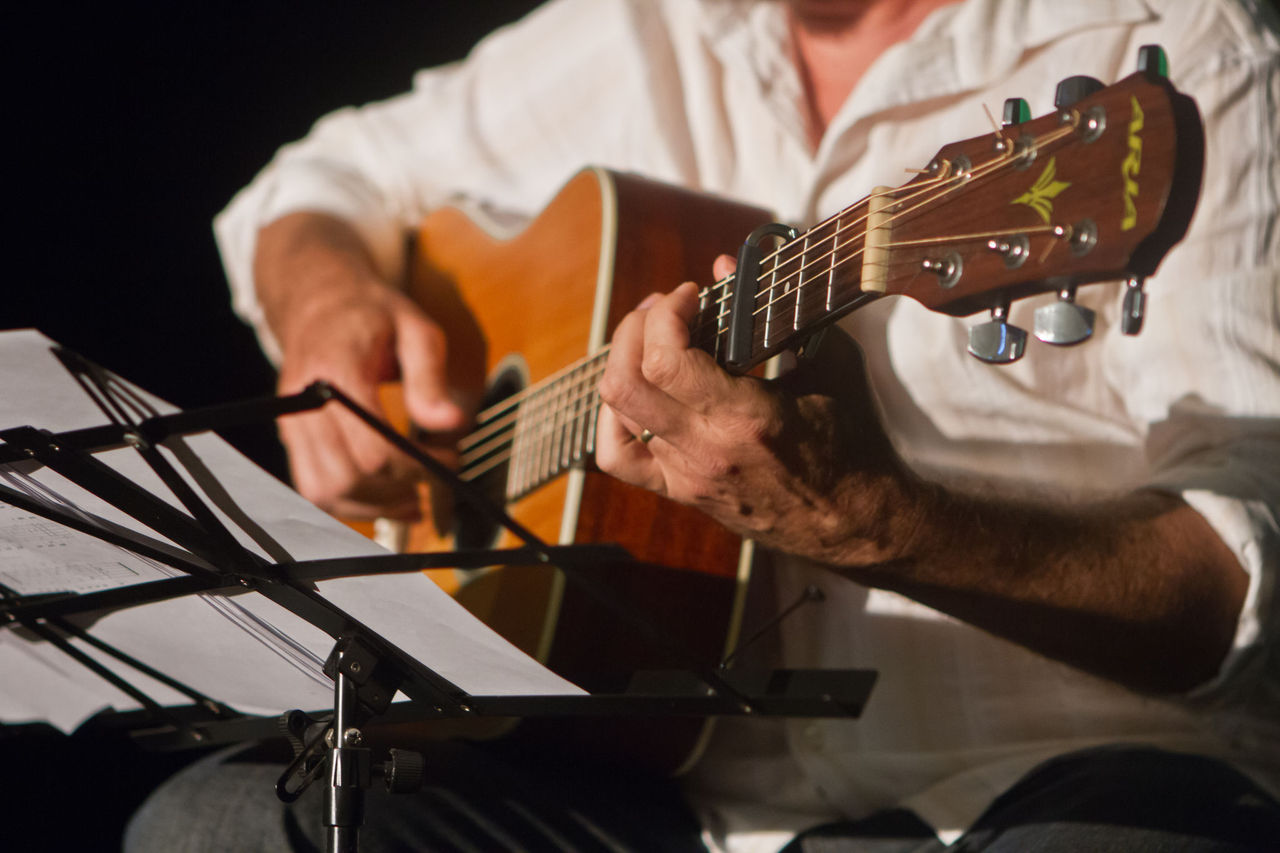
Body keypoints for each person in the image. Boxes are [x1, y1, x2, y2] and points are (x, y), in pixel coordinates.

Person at [129, 0, 1280, 850]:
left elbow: (1244, 595)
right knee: (220, 821)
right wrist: (329, 307)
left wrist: (874, 522)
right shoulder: (648, 29)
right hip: (671, 796)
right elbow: (315, 182)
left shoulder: (1179, 47)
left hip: (1064, 783)